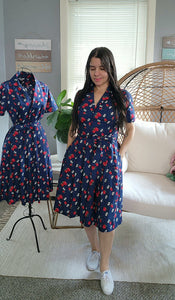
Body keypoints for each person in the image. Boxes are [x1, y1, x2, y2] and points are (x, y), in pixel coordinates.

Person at [54, 47, 135, 295]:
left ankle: (105, 267)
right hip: (81, 157)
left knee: (107, 214)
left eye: (101, 68)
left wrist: (119, 154)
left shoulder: (122, 96)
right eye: (92, 68)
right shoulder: (82, 95)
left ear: (109, 68)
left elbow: (131, 129)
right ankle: (95, 249)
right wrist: (70, 148)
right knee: (86, 210)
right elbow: (73, 126)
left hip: (108, 159)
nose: (97, 73)